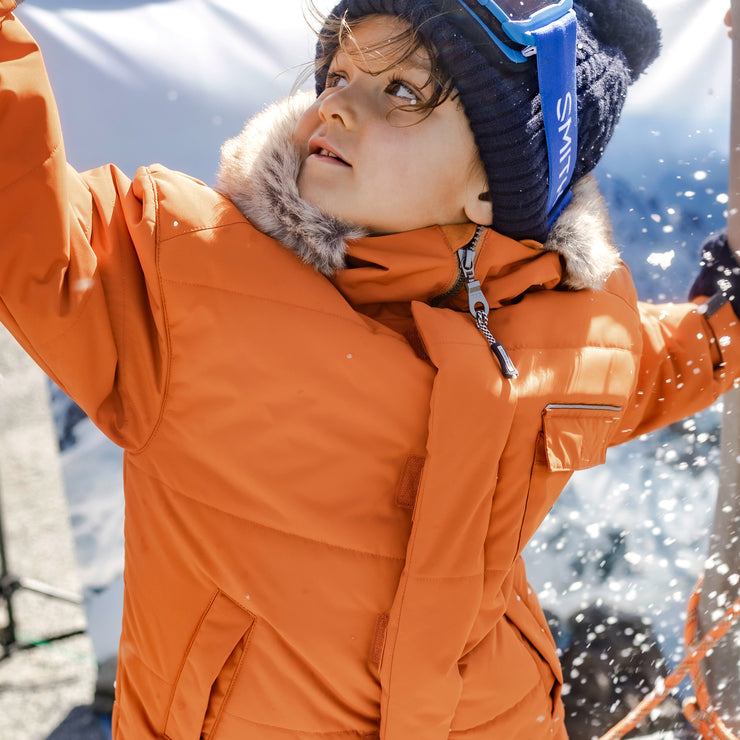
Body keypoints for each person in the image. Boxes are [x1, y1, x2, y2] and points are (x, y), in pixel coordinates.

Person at [0, 0, 738, 737]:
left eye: (403, 92)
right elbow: (23, 221)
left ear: (499, 185)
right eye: (340, 74)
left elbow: (672, 359)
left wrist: (729, 303)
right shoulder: (180, 270)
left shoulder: (573, 331)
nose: (336, 106)